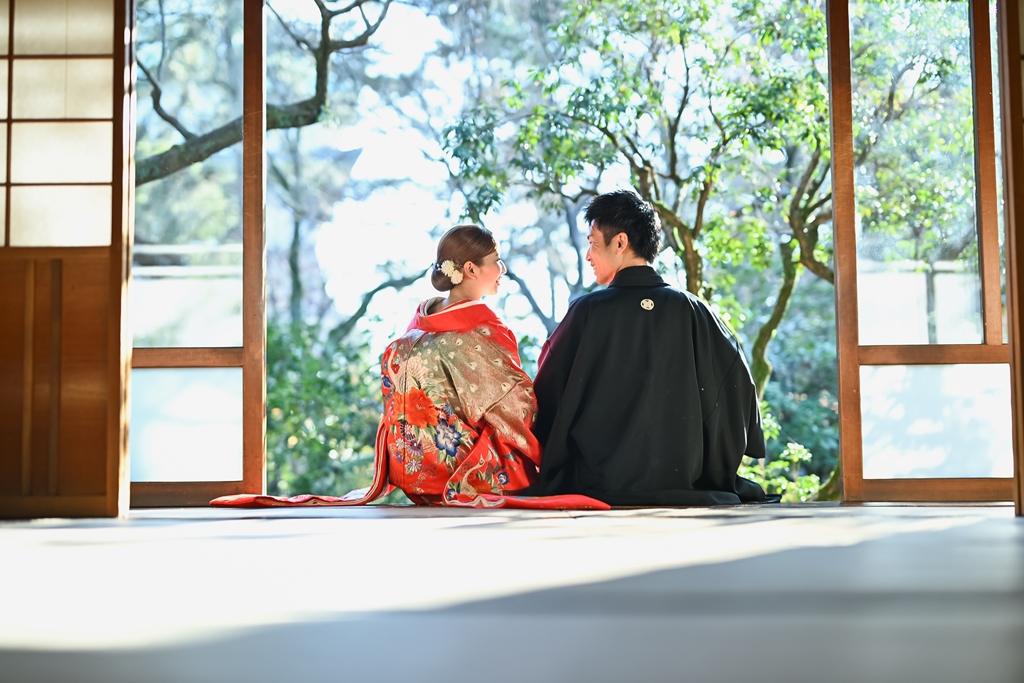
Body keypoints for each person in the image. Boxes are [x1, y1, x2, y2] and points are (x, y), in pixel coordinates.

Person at [525, 189, 768, 506]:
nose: (588, 256)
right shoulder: (695, 311)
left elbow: (546, 396)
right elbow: (738, 387)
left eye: (593, 243)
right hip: (686, 485)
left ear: (620, 243)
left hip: (598, 489)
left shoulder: (587, 311)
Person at [376, 224, 542, 505]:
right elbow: (514, 405)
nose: (502, 269)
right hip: (467, 479)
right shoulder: (482, 331)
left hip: (417, 477)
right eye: (496, 260)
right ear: (471, 269)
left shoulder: (416, 329)